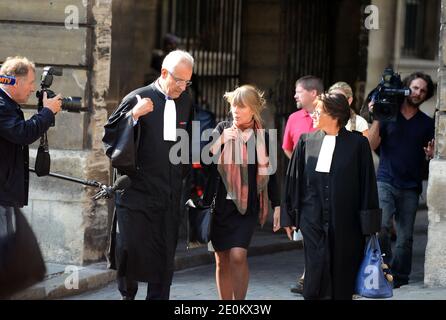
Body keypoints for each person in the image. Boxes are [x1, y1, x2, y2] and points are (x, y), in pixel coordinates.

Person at [102, 50, 194, 300]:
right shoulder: (136, 98)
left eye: (188, 82)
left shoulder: (186, 100)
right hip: (136, 192)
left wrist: (182, 176)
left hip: (167, 193)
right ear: (164, 73)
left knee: (164, 256)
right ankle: (127, 296)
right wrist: (133, 116)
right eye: (179, 80)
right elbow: (110, 138)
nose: (183, 87)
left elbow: (187, 143)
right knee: (130, 250)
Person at [280, 93, 381, 300]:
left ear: (334, 115)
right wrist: (288, 216)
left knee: (342, 278)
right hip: (312, 221)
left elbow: (367, 186)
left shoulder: (357, 145)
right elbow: (293, 181)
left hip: (347, 223)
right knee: (314, 278)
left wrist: (369, 227)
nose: (314, 115)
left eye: (319, 111)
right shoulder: (305, 141)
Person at [206, 85, 280, 300]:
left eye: (241, 106)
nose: (236, 111)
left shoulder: (264, 138)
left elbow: (272, 174)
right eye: (233, 106)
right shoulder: (221, 129)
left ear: (253, 109)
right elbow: (203, 160)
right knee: (221, 260)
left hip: (247, 207)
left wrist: (277, 205)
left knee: (238, 256)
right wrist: (220, 141)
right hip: (220, 206)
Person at [368, 72, 435, 288]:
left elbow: (429, 158)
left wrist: (429, 154)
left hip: (411, 185)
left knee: (405, 237)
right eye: (415, 88)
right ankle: (382, 269)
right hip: (385, 180)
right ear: (406, 87)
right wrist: (377, 116)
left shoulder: (427, 124)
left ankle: (400, 276)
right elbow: (370, 144)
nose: (418, 93)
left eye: (423, 90)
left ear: (426, 95)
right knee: (382, 227)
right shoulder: (388, 115)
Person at [0, 56, 61, 238]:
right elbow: (22, 133)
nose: (33, 88)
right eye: (31, 82)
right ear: (16, 82)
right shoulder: (2, 105)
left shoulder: (8, 104)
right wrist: (47, 112)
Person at [281, 75, 324, 294]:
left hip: (327, 185)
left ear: (313, 93)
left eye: (298, 91)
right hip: (303, 185)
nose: (295, 95)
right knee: (307, 231)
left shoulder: (329, 116)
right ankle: (310, 276)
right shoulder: (294, 118)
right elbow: (287, 147)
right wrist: (300, 167)